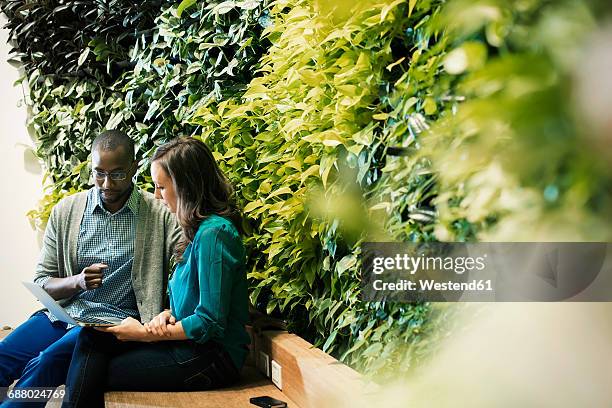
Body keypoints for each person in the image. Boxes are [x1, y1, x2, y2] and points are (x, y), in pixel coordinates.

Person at [62, 137, 251, 408]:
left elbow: (210, 321)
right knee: (93, 338)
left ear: (187, 186)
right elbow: (193, 300)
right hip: (189, 346)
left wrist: (144, 334)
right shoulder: (197, 232)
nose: (158, 196)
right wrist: (168, 314)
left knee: (90, 373)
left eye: (162, 187)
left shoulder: (216, 234)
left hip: (211, 357)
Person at [0, 130, 179, 407]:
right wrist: (77, 281)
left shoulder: (159, 214)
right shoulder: (67, 211)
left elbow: (183, 268)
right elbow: (42, 280)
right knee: (3, 357)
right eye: (99, 173)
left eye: (118, 174)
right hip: (62, 316)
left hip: (108, 326)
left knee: (45, 364)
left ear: (133, 167)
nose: (106, 184)